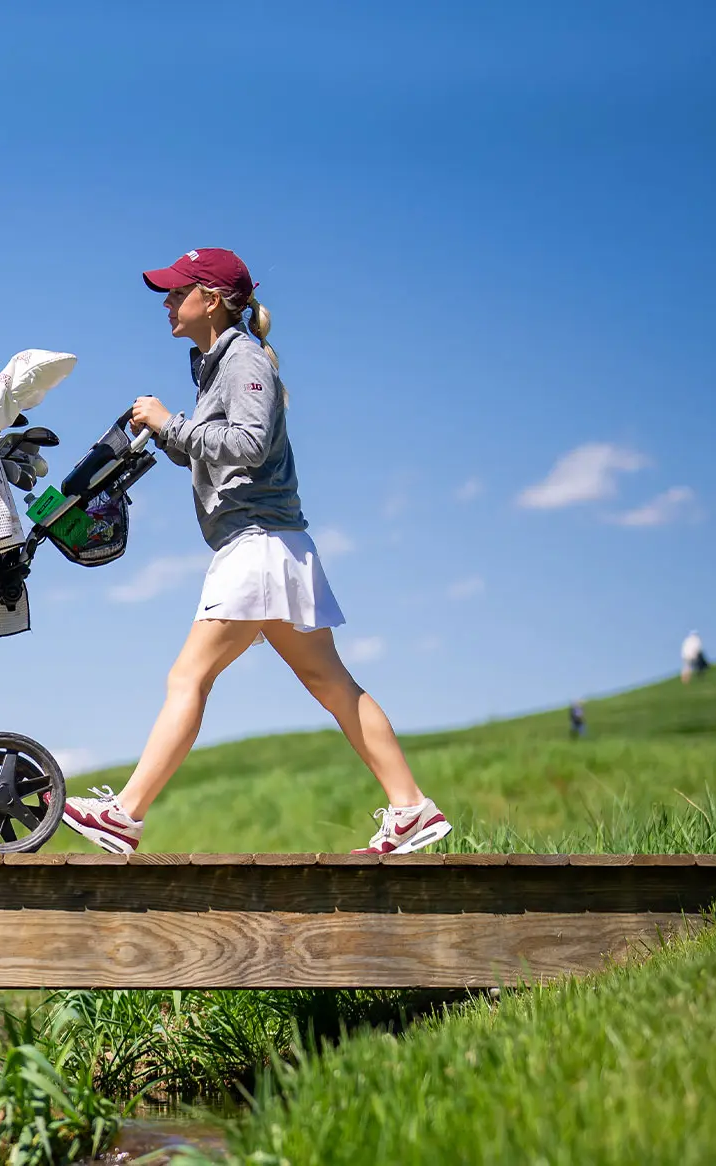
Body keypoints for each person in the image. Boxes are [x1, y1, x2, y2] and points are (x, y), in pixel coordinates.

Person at [59, 248, 450, 856]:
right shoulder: (219, 366)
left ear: (210, 300)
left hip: (257, 547)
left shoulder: (244, 359)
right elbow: (222, 452)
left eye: (175, 292)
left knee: (188, 677)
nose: (166, 303)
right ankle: (411, 810)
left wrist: (172, 424)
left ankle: (125, 815)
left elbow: (248, 443)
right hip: (274, 545)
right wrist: (167, 435)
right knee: (332, 682)